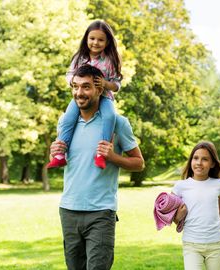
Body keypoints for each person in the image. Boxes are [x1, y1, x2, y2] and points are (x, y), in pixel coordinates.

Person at [50, 65, 144, 270]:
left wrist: (112, 157)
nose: (79, 93)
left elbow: (139, 163)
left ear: (100, 89)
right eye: (75, 87)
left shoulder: (117, 123)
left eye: (86, 87)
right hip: (69, 210)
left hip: (101, 212)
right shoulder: (65, 122)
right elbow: (70, 160)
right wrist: (55, 151)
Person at [48, 20, 122, 169]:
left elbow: (116, 84)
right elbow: (69, 75)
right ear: (86, 39)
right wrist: (75, 83)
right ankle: (60, 154)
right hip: (83, 97)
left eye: (101, 40)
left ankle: (101, 153)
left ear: (107, 42)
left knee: (109, 116)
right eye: (92, 38)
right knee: (68, 117)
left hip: (104, 97)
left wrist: (105, 84)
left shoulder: (109, 61)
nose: (95, 42)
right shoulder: (79, 58)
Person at [171, 141, 220, 270]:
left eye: (205, 159)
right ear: (191, 161)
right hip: (191, 244)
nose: (199, 163)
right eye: (195, 158)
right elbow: (172, 217)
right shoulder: (180, 186)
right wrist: (178, 216)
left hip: (215, 245)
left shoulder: (219, 184)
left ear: (212, 163)